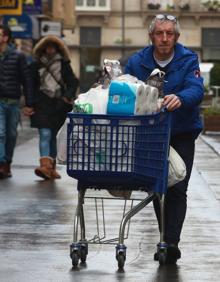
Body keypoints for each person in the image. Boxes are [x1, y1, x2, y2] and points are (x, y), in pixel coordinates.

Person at [125, 14, 204, 264]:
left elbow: (196, 88)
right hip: (151, 132)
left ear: (176, 37)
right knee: (159, 188)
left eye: (169, 33)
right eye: (160, 33)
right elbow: (125, 86)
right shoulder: (137, 61)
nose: (165, 38)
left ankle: (171, 243)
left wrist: (180, 98)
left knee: (178, 186)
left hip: (181, 132)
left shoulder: (188, 58)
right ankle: (164, 237)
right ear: (152, 36)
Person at [30, 35, 79, 180]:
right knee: (45, 134)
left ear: (57, 48)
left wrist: (67, 96)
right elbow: (31, 84)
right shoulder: (36, 64)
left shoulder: (64, 64)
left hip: (59, 105)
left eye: (53, 46)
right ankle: (45, 166)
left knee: (54, 137)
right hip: (42, 103)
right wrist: (31, 103)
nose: (50, 49)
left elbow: (73, 82)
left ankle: (51, 168)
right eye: (47, 46)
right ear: (43, 48)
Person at [0, 25, 35, 179]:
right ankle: (1, 163)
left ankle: (7, 163)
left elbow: (26, 80)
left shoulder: (18, 56)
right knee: (0, 133)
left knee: (12, 134)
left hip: (13, 101)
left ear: (5, 37)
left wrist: (29, 103)